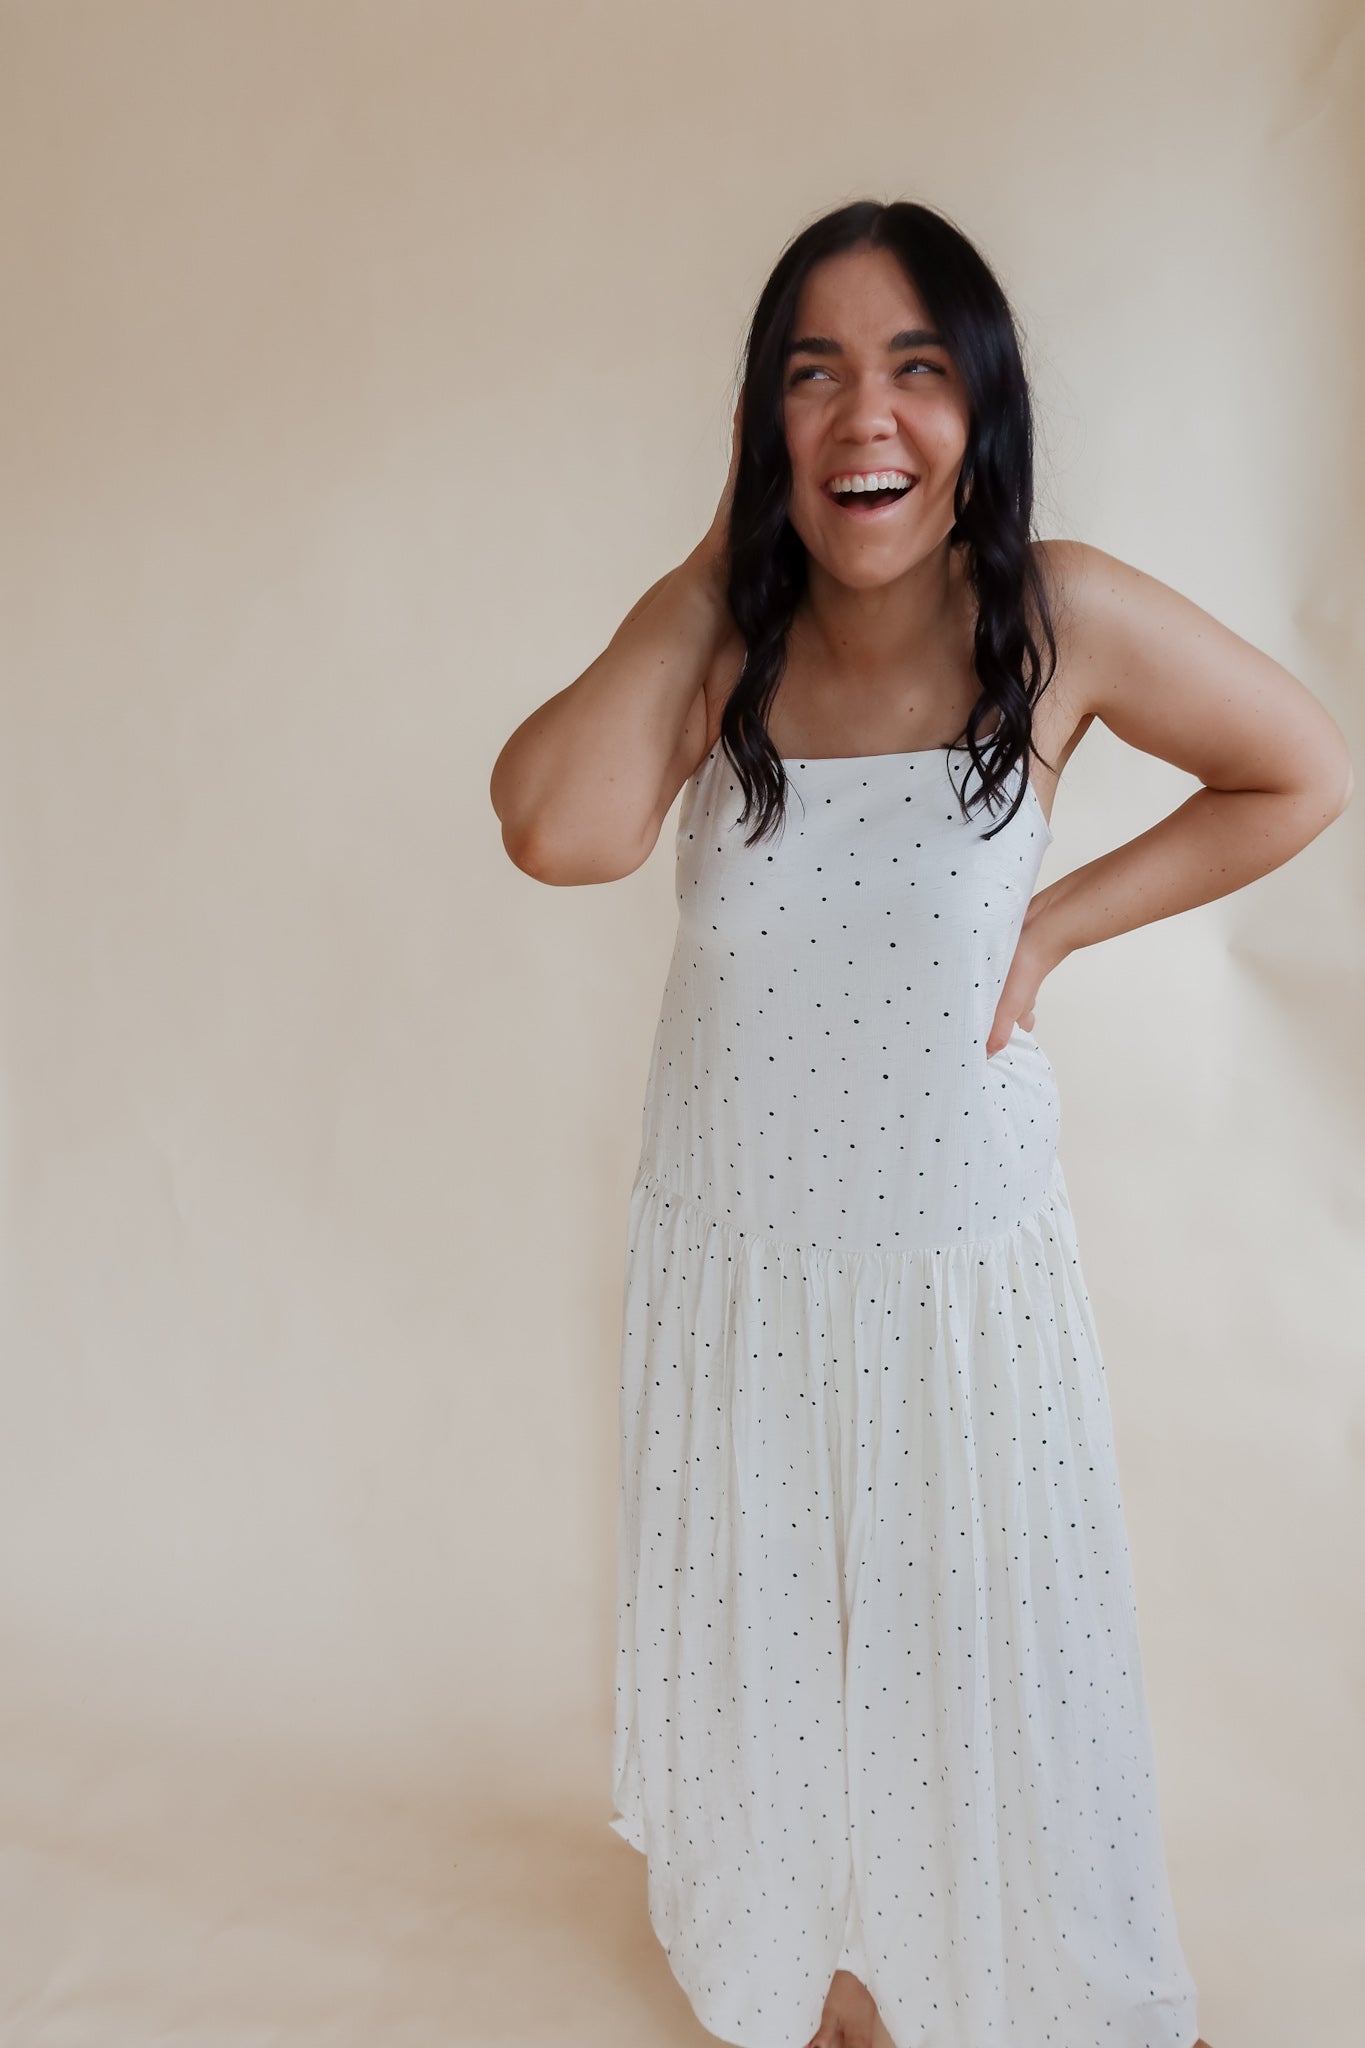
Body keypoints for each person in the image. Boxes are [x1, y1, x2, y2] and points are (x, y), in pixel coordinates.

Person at [489, 198, 1352, 2048]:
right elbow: (554, 827)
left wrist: (1055, 922)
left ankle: (1024, 1973)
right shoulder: (725, 643)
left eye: (912, 367)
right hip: (741, 1258)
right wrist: (703, 565)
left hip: (951, 1268)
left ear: (979, 404)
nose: (862, 415)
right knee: (776, 1626)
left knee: (977, 1632)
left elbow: (1299, 768)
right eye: (811, 375)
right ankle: (828, 1971)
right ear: (760, 422)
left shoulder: (1055, 615)